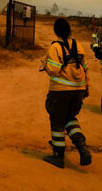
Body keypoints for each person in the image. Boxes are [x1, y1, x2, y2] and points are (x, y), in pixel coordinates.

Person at [41, 18, 92, 169]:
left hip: (61, 91)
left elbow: (54, 71)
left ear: (56, 31)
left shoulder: (55, 48)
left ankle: (58, 156)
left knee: (57, 121)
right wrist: (87, 87)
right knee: (70, 118)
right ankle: (81, 146)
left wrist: (45, 64)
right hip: (79, 90)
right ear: (69, 30)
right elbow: (86, 67)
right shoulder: (78, 45)